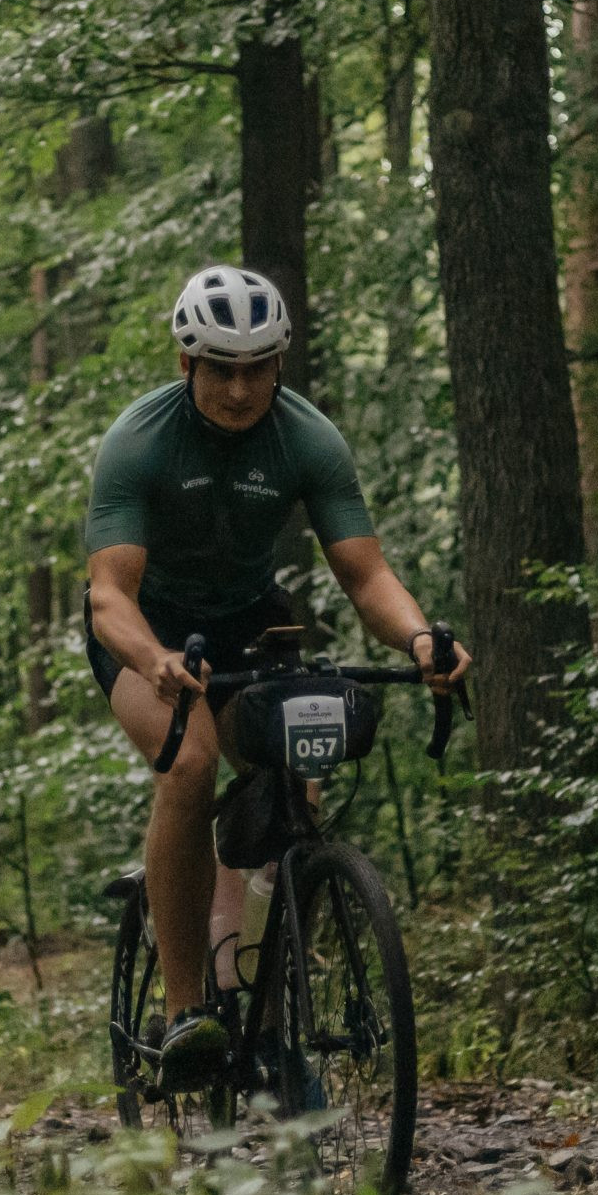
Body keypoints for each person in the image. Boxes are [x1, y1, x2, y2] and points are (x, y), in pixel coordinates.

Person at [84, 265, 470, 1091]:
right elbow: (108, 595)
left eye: (257, 367)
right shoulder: (140, 440)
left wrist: (420, 639)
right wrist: (154, 658)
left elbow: (366, 574)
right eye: (221, 368)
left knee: (301, 772)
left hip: (250, 621)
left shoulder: (307, 439)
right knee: (191, 761)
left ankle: (255, 1001)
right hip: (147, 628)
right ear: (186, 363)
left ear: (278, 365)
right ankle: (186, 1012)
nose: (239, 388)